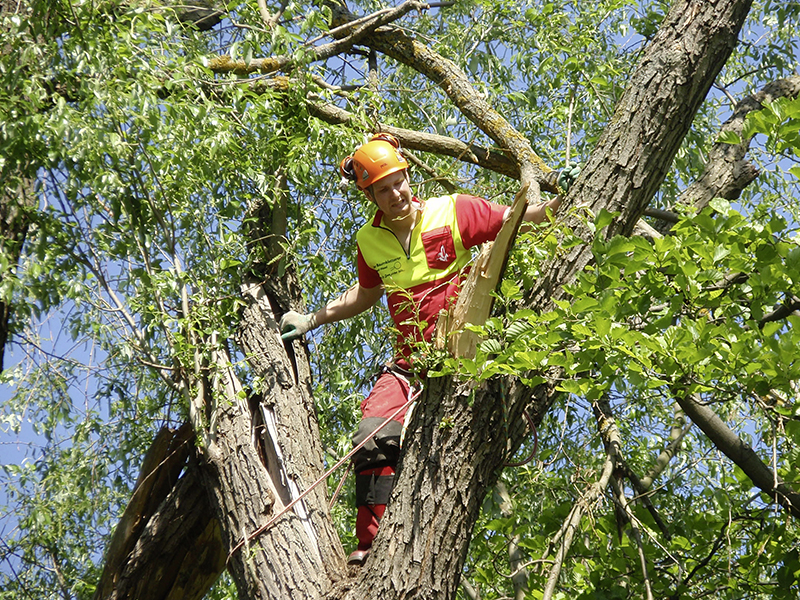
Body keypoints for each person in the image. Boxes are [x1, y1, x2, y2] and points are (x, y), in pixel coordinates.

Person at [280, 133, 578, 565]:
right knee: (371, 435)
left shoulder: (453, 210)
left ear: (407, 176)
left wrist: (560, 201)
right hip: (408, 364)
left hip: (462, 355)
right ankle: (370, 543)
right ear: (371, 195)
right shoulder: (370, 242)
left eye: (398, 181)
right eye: (383, 189)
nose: (395, 193)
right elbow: (364, 296)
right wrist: (313, 318)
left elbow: (520, 220)